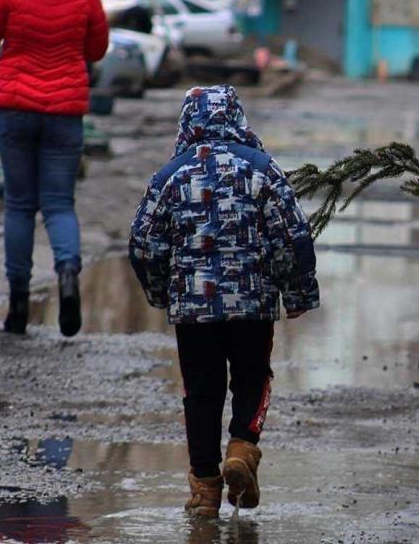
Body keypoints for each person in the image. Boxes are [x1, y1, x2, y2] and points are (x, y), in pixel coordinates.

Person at [129, 85, 320, 518]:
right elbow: (293, 235)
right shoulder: (262, 169)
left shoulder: (169, 176)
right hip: (253, 304)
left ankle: (205, 489)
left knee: (200, 391)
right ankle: (242, 447)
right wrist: (297, 292)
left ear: (187, 121)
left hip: (193, 309)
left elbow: (143, 244)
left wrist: (160, 291)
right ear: (237, 119)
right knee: (254, 376)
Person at [0, 0, 109, 336]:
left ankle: (18, 305)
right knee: (59, 204)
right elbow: (96, 49)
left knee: (20, 205)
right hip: (65, 112)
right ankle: (67, 276)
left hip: (16, 108)